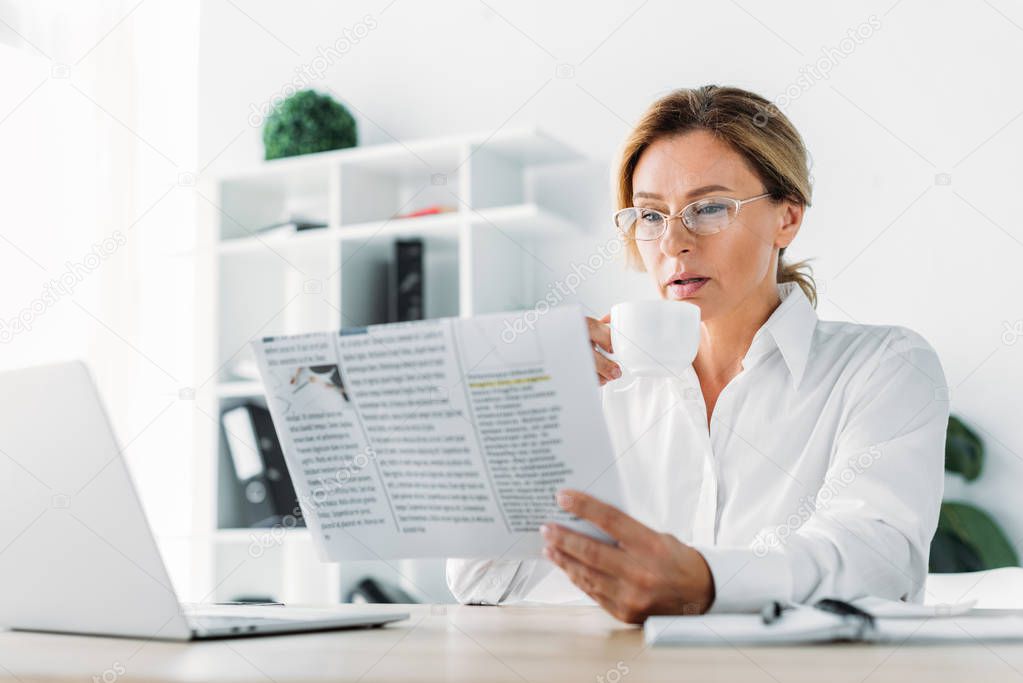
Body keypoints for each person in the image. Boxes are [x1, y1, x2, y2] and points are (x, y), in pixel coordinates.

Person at [446, 85, 949, 624]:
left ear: (788, 216)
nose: (673, 243)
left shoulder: (884, 367)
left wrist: (706, 583)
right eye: (651, 216)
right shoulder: (597, 385)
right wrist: (523, 417)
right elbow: (482, 580)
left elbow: (877, 557)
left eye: (709, 208)